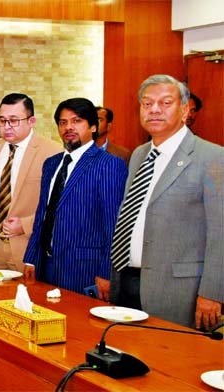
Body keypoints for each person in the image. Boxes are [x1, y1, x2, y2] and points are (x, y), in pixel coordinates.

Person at [107, 75, 223, 330]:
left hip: (180, 291)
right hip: (126, 280)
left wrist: (214, 293)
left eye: (165, 102)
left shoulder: (213, 157)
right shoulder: (139, 154)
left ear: (184, 110)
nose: (155, 109)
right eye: (147, 104)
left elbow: (221, 233)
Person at [24, 98, 127, 295]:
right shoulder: (51, 164)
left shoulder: (108, 164)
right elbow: (42, 215)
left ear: (93, 126)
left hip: (85, 269)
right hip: (46, 265)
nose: (68, 127)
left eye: (77, 121)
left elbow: (114, 225)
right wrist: (31, 257)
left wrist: (107, 273)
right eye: (63, 122)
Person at [0, 93, 61, 272]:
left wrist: (25, 225)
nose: (6, 126)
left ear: (31, 121)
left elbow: (59, 204)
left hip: (30, 246)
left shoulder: (52, 151)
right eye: (1, 120)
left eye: (14, 120)